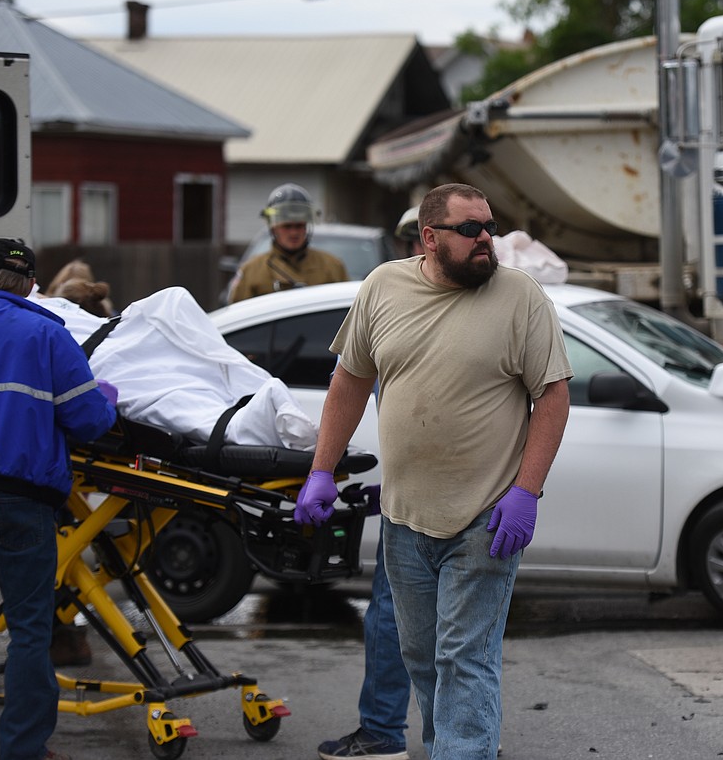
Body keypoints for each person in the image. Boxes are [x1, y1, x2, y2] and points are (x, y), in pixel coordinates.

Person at [297, 184, 572, 759]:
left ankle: (463, 750)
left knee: (464, 658)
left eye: (489, 228)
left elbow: (552, 395)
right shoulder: (383, 288)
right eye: (470, 230)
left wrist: (527, 490)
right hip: (405, 518)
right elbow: (349, 381)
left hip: (485, 517)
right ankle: (458, 746)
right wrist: (322, 470)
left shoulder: (519, 297)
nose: (485, 241)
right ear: (430, 237)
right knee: (421, 655)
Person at [0, 238, 118, 760]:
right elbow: (90, 422)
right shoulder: (48, 337)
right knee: (31, 629)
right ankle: (23, 749)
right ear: (32, 286)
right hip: (23, 499)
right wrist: (105, 397)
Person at [317, 207, 422, 760]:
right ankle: (461, 731)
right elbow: (350, 385)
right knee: (453, 628)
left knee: (397, 614)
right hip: (417, 494)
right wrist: (320, 471)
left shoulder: (395, 303)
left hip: (433, 501)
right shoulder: (388, 300)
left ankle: (395, 731)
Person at [228, 182, 349, 303]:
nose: (294, 233)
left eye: (299, 226)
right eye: (287, 226)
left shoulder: (333, 267)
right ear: (273, 228)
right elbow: (238, 314)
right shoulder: (251, 271)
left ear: (307, 226)